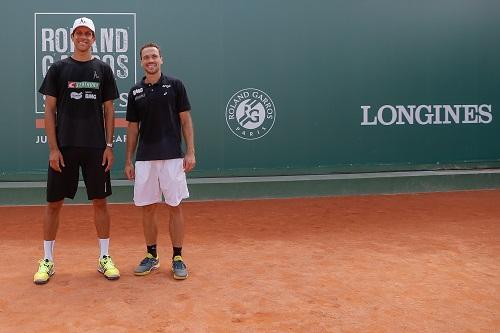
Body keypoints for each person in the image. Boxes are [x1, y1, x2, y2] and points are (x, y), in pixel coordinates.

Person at [34, 17, 120, 284]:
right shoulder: (58, 69)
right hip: (65, 148)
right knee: (53, 204)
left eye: (88, 33)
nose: (84, 37)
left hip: (96, 148)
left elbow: (109, 110)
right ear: (73, 36)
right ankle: (47, 260)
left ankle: (104, 257)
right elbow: (49, 109)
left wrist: (108, 146)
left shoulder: (103, 70)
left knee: (100, 202)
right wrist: (53, 148)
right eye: (79, 33)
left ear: (94, 38)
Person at [125, 42, 195, 280]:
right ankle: (151, 255)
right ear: (141, 62)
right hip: (145, 159)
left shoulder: (175, 85)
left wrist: (190, 152)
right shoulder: (135, 91)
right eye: (146, 57)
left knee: (174, 206)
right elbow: (133, 129)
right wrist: (128, 160)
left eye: (154, 56)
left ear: (161, 59)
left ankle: (177, 257)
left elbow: (185, 121)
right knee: (148, 209)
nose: (150, 60)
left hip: (173, 157)